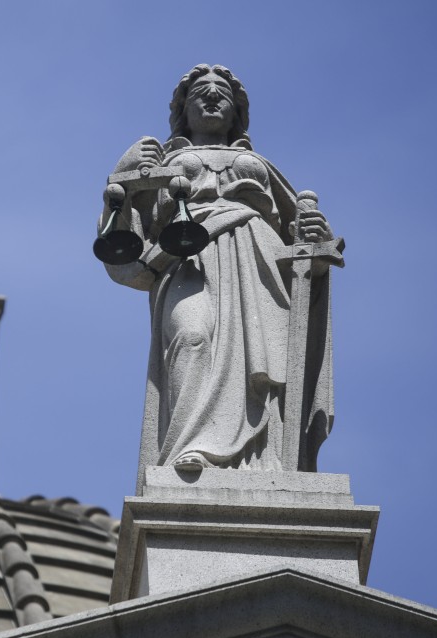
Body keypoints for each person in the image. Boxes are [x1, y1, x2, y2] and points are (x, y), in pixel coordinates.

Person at [100, 64, 335, 484]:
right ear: (183, 110)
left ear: (237, 110)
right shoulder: (163, 163)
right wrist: (124, 175)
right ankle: (188, 448)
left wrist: (315, 243)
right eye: (200, 93)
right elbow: (125, 258)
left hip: (258, 259)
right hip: (188, 259)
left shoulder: (260, 165)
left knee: (260, 363)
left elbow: (300, 242)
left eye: (221, 92)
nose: (211, 97)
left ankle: (267, 462)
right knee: (191, 337)